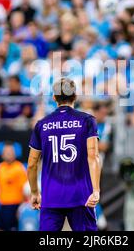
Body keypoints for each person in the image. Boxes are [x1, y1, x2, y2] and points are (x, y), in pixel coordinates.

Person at [27, 78, 101, 231]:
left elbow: (32, 163)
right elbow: (93, 156)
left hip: (51, 196)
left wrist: (34, 192)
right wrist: (96, 190)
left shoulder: (42, 124)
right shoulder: (87, 120)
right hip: (81, 195)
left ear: (54, 98)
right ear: (75, 96)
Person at [0, 142, 28, 231]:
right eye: (6, 152)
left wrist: (21, 208)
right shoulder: (0, 168)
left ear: (14, 154)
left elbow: (25, 190)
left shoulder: (19, 168)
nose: (9, 154)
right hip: (2, 206)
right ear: (2, 154)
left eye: (10, 151)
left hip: (14, 206)